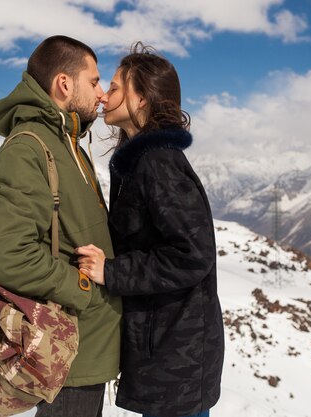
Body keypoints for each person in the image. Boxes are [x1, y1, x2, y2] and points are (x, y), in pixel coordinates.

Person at [76, 43, 225, 417]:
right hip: (167, 347)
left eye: (113, 87)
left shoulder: (157, 162)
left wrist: (111, 272)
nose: (104, 96)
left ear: (141, 99)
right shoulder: (140, 160)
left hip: (177, 355)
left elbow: (193, 254)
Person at [0, 35, 122, 417]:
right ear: (64, 83)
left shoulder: (69, 143)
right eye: (94, 81)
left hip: (90, 345)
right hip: (68, 352)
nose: (101, 93)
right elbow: (11, 256)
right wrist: (84, 291)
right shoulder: (28, 148)